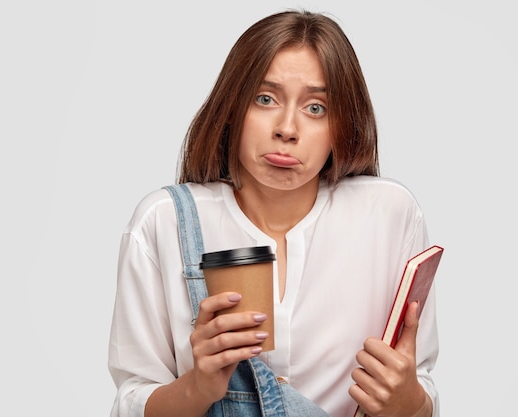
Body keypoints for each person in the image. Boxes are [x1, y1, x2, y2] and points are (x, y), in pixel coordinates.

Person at [108, 9, 440, 417]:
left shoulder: (390, 215)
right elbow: (131, 401)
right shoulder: (163, 222)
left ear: (343, 123)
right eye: (265, 99)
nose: (287, 128)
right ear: (232, 107)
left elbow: (419, 385)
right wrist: (198, 387)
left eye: (316, 108)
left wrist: (409, 403)